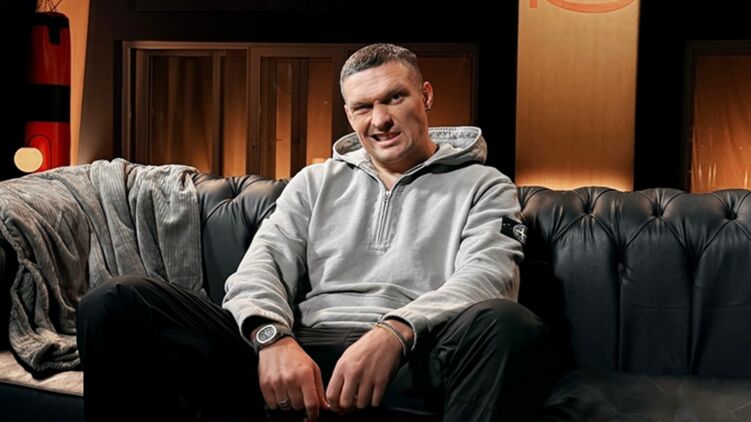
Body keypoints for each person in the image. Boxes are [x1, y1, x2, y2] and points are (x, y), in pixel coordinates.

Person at [76, 43, 559, 422]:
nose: (380, 119)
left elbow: (489, 277)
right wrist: (271, 337)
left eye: (395, 97)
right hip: (300, 351)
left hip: (414, 358)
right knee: (117, 300)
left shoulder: (484, 184)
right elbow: (261, 266)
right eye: (363, 106)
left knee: (510, 325)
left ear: (426, 96)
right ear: (349, 114)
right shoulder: (315, 181)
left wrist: (394, 331)